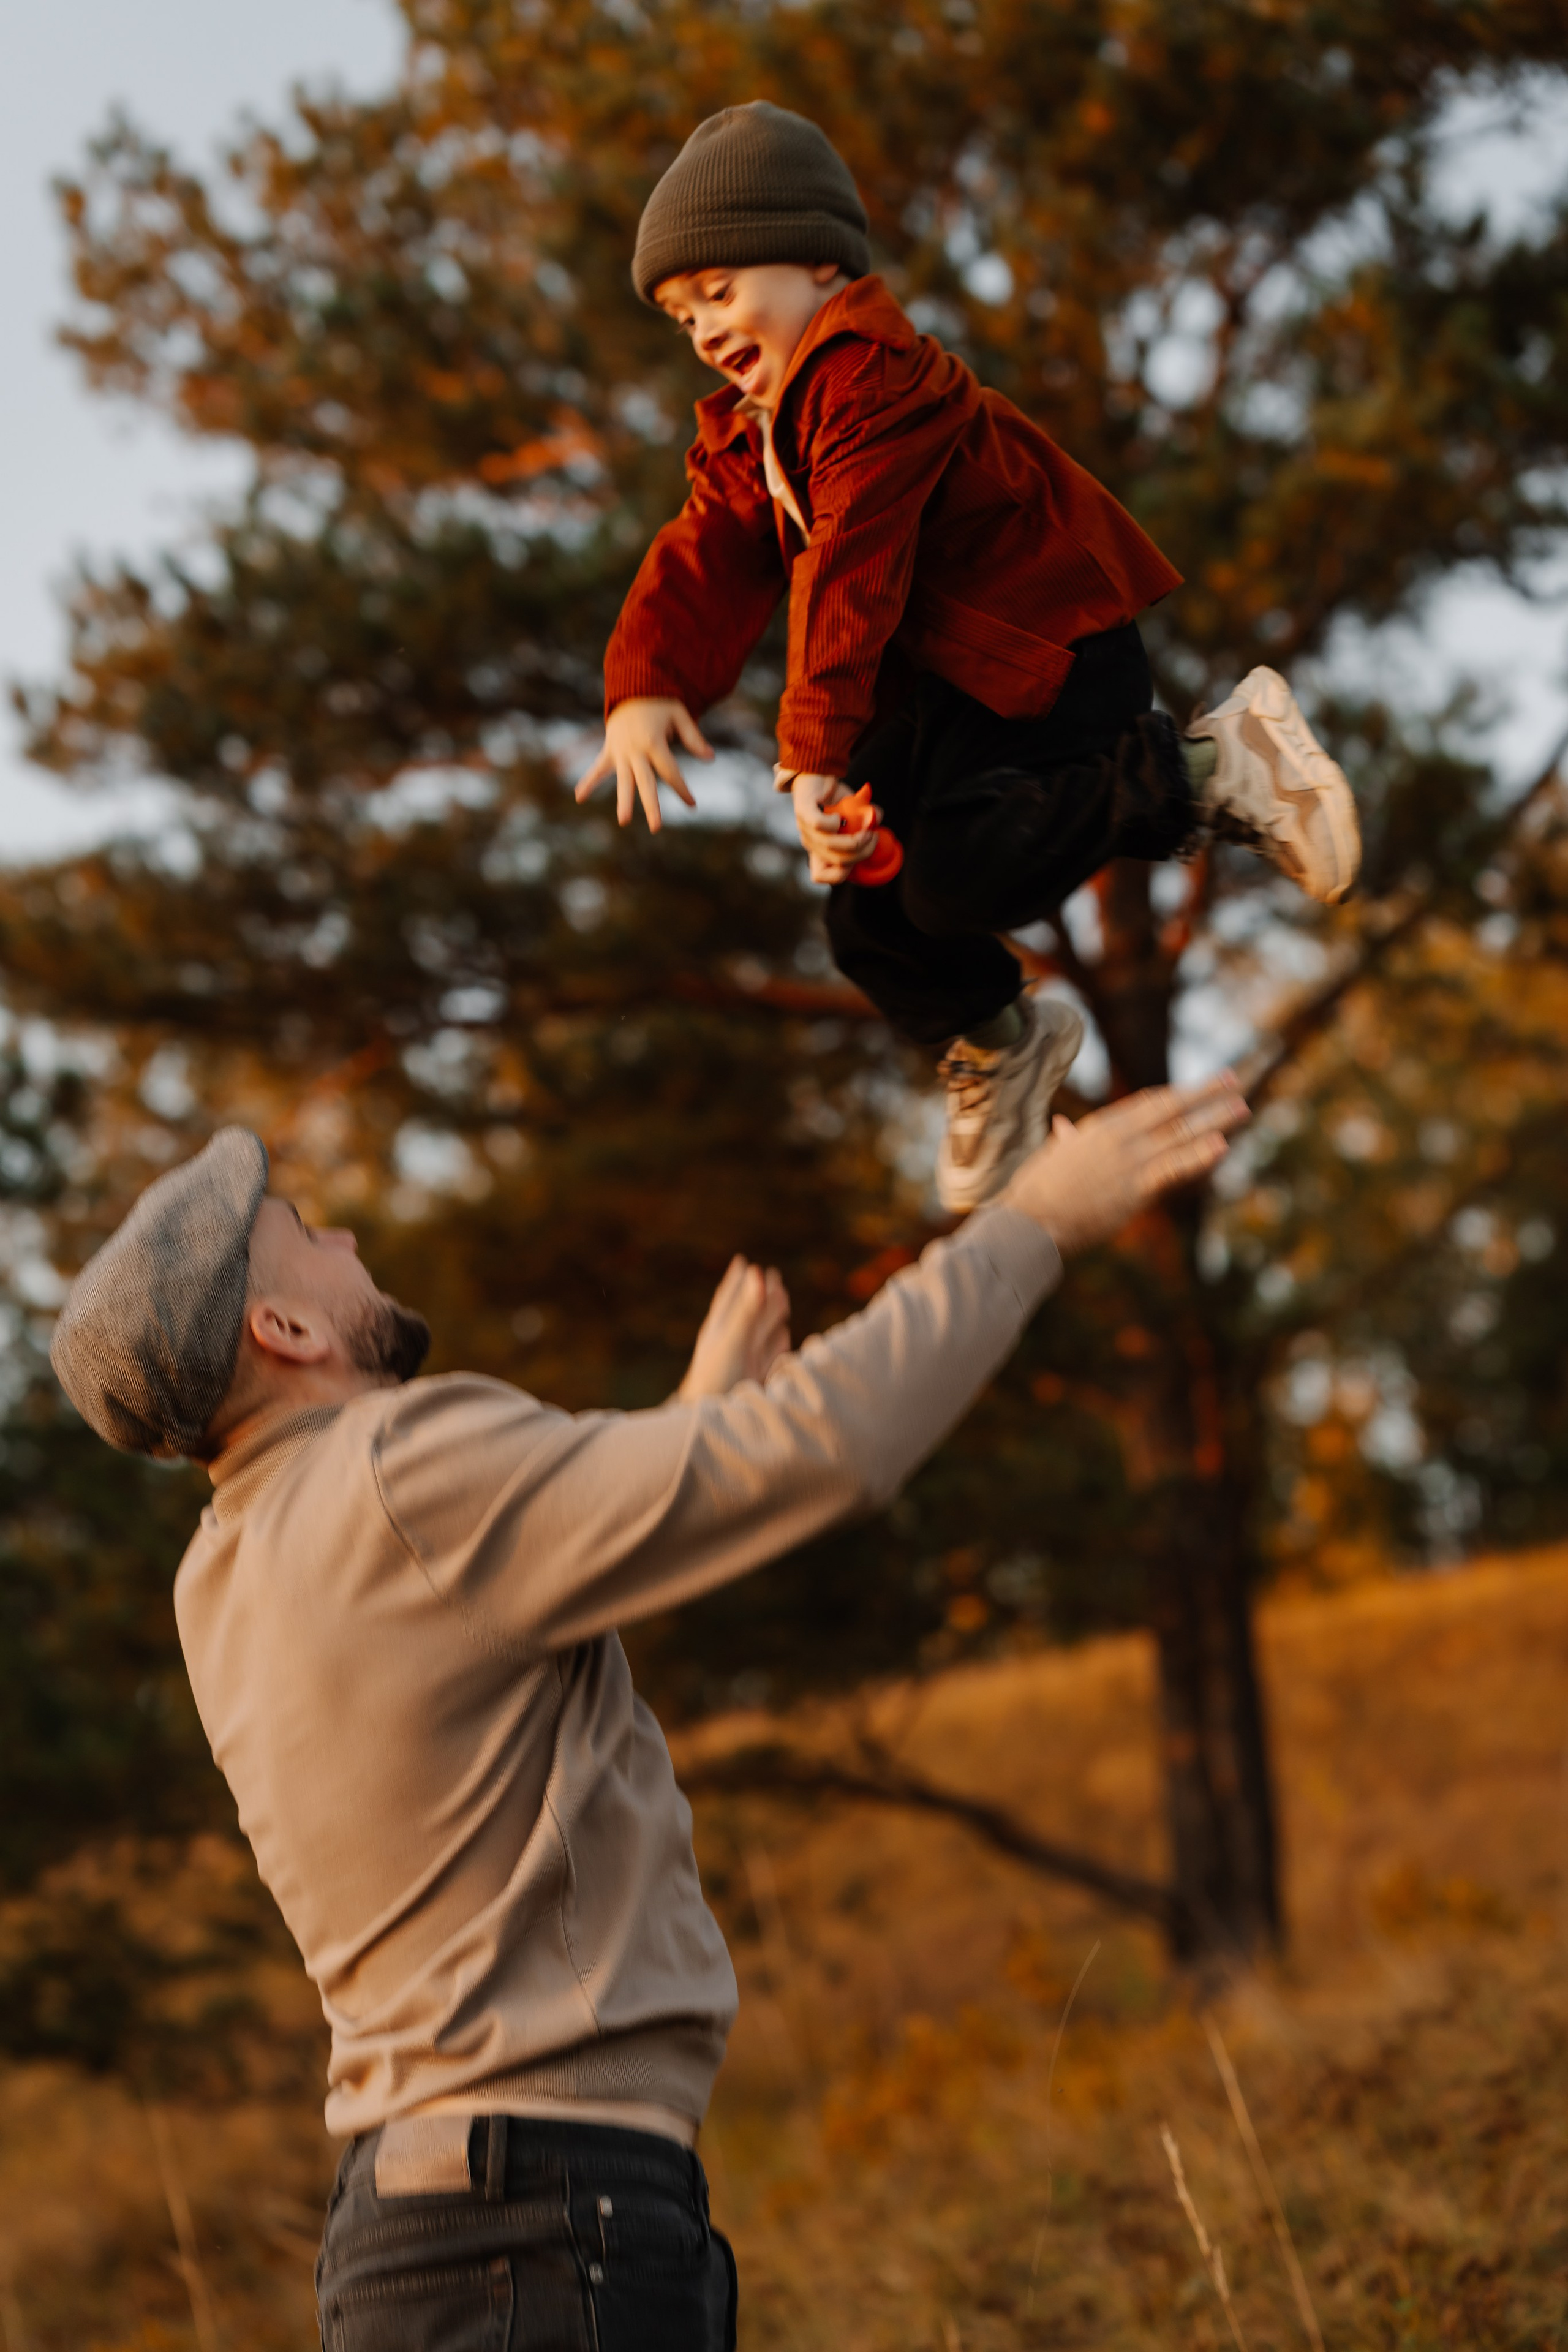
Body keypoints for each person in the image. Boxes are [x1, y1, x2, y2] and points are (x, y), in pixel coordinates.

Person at [49, 1075, 1245, 2350]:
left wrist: (689, 1427)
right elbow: (824, 1447)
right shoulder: (398, 1469)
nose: (346, 1239)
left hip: (430, 2237)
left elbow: (476, 1661)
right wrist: (1035, 1221)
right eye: (308, 1232)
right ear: (283, 1325)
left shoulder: (225, 1570)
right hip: (541, 2226)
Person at [576, 102, 1360, 1213]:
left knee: (959, 873)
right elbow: (706, 549)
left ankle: (1214, 767)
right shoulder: (755, 430)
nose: (703, 330)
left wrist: (812, 760)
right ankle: (1002, 1043)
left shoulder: (879, 381)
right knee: (865, 913)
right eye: (679, 315)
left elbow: (856, 566)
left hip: (1052, 648)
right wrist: (646, 684)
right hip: (951, 688)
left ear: (817, 260)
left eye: (720, 292)